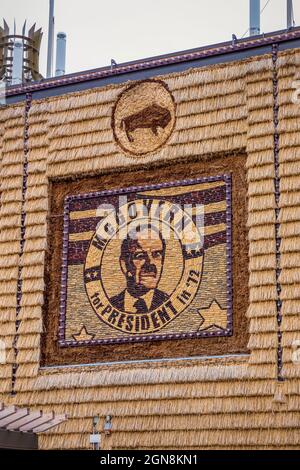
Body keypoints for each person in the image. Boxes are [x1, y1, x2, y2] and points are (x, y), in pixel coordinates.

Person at [110, 223, 168, 313]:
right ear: (124, 265)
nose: (151, 263)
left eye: (157, 254)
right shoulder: (112, 305)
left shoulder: (168, 303)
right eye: (140, 256)